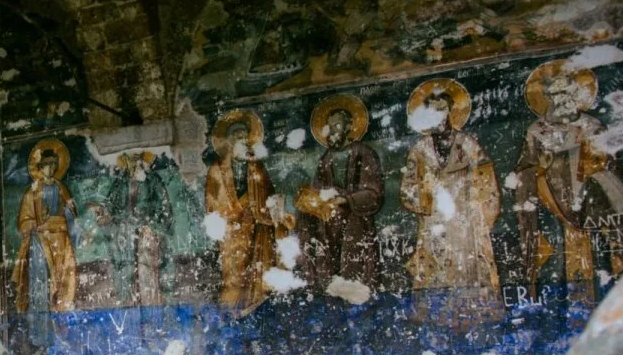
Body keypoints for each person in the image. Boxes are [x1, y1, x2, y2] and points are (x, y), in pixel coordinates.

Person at [514, 59, 623, 302]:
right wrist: (539, 169)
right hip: (553, 209)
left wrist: (597, 175)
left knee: (599, 261)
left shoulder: (592, 127)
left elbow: (612, 167)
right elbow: (524, 170)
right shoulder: (536, 131)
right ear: (548, 96)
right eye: (556, 93)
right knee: (555, 264)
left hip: (592, 209)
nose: (561, 98)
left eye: (567, 92)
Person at [400, 78, 502, 323]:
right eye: (430, 111)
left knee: (466, 269)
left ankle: (471, 317)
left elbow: (487, 183)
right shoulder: (420, 149)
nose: (436, 115)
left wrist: (480, 219)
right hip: (433, 222)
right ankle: (432, 318)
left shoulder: (468, 144)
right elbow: (407, 187)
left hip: (465, 223)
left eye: (440, 109)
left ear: (449, 111)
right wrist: (423, 197)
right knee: (434, 270)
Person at [205, 109, 292, 313]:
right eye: (238, 138)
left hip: (257, 227)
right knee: (234, 277)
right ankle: (231, 311)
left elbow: (267, 193)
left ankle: (252, 307)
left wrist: (275, 208)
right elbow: (212, 203)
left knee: (258, 271)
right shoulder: (217, 170)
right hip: (232, 233)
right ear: (228, 142)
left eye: (245, 137)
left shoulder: (256, 167)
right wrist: (236, 210)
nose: (243, 141)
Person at [295, 94, 382, 291]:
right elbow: (318, 189)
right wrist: (309, 199)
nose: (332, 130)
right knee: (329, 272)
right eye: (329, 126)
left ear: (350, 126)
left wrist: (345, 199)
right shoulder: (326, 158)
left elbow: (374, 193)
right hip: (329, 224)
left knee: (355, 272)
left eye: (337, 125)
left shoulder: (364, 153)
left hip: (356, 222)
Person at [13, 139, 78, 318]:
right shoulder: (32, 192)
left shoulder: (62, 188)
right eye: (46, 165)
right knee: (41, 281)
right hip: (40, 242)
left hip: (61, 242)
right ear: (40, 167)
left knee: (64, 279)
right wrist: (38, 223)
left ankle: (61, 321)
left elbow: (71, 214)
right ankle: (40, 329)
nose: (50, 168)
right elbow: (24, 221)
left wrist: (68, 212)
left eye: (53, 164)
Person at [100, 151, 173, 307]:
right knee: (125, 273)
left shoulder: (152, 180)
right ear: (126, 162)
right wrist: (104, 215)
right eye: (130, 160)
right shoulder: (120, 183)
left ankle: (152, 311)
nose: (134, 164)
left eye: (137, 159)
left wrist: (154, 226)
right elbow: (109, 206)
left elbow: (165, 207)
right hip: (125, 234)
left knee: (146, 273)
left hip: (147, 232)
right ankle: (128, 313)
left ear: (142, 160)